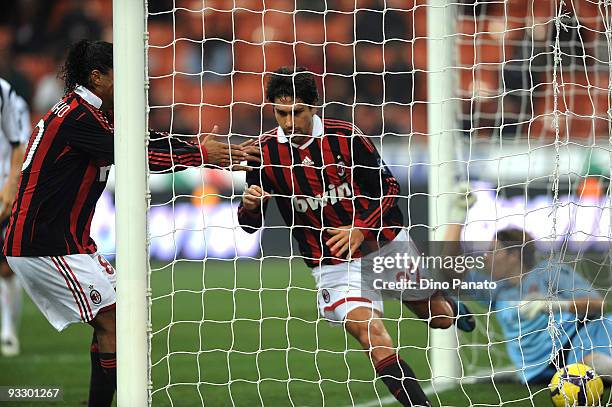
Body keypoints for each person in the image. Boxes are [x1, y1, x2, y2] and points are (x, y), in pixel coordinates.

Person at [2, 39, 259, 407]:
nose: (132, 82)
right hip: (43, 245)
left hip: (69, 244)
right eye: (120, 73)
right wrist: (202, 154)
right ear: (97, 77)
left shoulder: (91, 113)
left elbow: (144, 140)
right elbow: (139, 155)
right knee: (116, 321)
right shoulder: (76, 117)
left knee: (121, 319)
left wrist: (196, 146)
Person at [238, 66, 474, 407]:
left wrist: (359, 228)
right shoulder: (262, 153)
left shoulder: (346, 138)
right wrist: (248, 206)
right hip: (331, 262)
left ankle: (454, 306)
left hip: (381, 244)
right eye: (281, 113)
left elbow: (389, 187)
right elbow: (250, 224)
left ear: (314, 106)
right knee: (373, 335)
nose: (289, 123)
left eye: (297, 112)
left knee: (438, 317)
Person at [446, 188, 612, 385]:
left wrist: (554, 305)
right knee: (583, 371)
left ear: (513, 255)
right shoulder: (495, 288)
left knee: (596, 364)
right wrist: (457, 217)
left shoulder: (549, 271)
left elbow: (597, 305)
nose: (486, 257)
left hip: (581, 337)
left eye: (493, 251)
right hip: (537, 370)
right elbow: (448, 267)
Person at [0, 83, 29, 357]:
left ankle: (8, 330)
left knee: (7, 269)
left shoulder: (7, 95)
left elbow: (20, 145)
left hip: (4, 192)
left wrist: (12, 185)